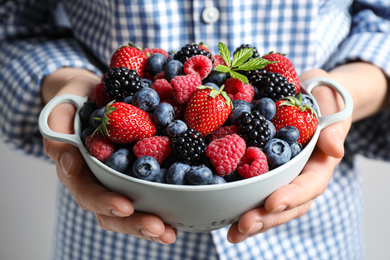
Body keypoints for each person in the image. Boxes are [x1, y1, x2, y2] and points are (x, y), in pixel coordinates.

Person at [1, 0, 390, 259]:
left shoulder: (240, 115)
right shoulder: (158, 106)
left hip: (311, 241)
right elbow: (14, 24)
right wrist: (66, 84)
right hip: (111, 237)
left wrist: (340, 97)